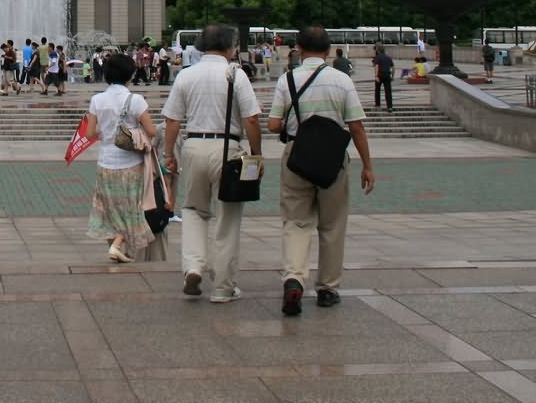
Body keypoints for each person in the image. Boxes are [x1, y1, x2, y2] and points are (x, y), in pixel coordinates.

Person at [267, 25, 375, 316]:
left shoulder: (286, 79)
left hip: (296, 157)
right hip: (332, 159)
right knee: (332, 224)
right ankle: (327, 288)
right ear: (328, 51)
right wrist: (367, 165)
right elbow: (356, 126)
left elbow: (274, 125)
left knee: (295, 221)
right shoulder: (341, 81)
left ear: (298, 49)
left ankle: (293, 279)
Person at [161, 24, 262, 305]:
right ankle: (223, 287)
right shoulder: (236, 74)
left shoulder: (186, 75)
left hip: (193, 145)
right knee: (227, 218)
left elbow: (172, 121)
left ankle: (193, 267)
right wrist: (257, 153)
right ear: (231, 47)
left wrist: (169, 153)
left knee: (193, 210)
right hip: (228, 149)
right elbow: (252, 119)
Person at [84, 52, 158, 263]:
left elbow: (90, 134)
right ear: (130, 74)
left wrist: (106, 135)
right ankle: (117, 245)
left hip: (105, 162)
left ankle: (116, 250)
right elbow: (151, 131)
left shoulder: (97, 100)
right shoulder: (136, 100)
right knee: (132, 206)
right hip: (131, 164)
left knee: (108, 207)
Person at [372, 46, 394, 112]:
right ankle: (389, 107)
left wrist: (376, 76)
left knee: (377, 90)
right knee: (388, 92)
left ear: (378, 51)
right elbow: (393, 68)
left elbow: (376, 66)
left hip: (380, 75)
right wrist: (392, 76)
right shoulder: (389, 58)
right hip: (387, 75)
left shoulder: (377, 57)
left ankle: (378, 104)